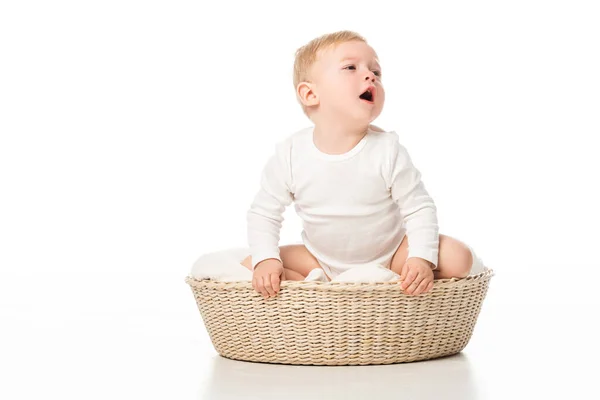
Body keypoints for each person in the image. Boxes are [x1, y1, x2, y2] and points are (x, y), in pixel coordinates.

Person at [240, 30, 474, 299]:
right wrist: (267, 260)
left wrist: (420, 259)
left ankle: (390, 278)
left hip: (391, 255)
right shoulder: (291, 153)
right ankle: (318, 282)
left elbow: (418, 208)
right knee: (252, 265)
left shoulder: (387, 149)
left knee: (459, 258)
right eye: (351, 67)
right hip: (320, 259)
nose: (370, 75)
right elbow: (264, 213)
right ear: (310, 94)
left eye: (376, 71)